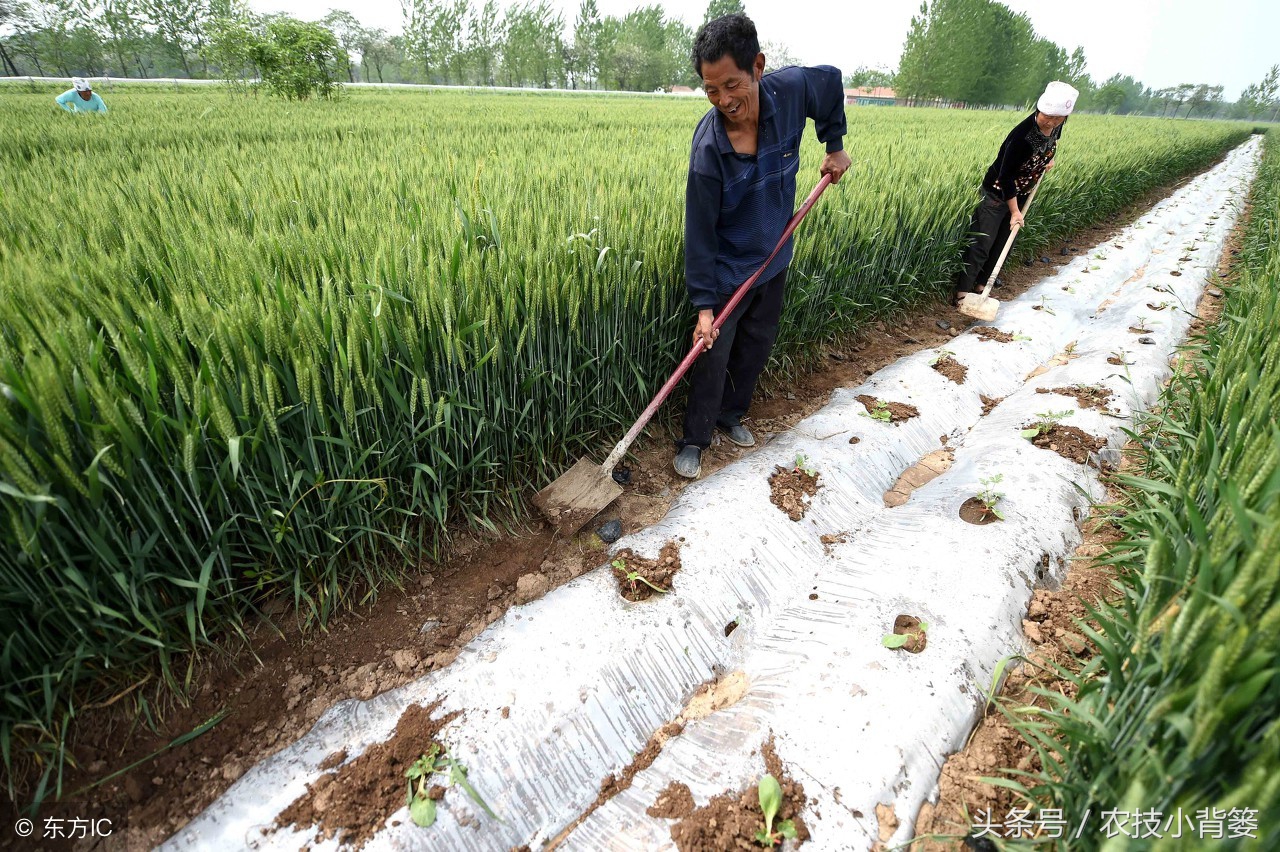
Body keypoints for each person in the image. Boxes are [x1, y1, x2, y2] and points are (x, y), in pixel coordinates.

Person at [674, 13, 850, 479]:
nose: (723, 100)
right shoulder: (709, 150)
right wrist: (705, 308)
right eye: (711, 90)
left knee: (757, 343)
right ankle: (696, 438)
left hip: (775, 256)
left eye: (731, 84)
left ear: (757, 65)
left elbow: (830, 83)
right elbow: (700, 232)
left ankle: (733, 417)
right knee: (713, 356)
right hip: (729, 269)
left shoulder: (789, 92)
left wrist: (834, 144)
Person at [952, 81, 1078, 305]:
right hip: (997, 194)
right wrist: (1015, 212)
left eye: (1057, 119)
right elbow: (1005, 177)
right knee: (983, 243)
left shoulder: (1057, 125)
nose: (1050, 122)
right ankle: (962, 293)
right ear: (1039, 109)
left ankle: (982, 286)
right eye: (1047, 116)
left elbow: (1052, 141)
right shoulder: (1022, 137)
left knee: (1004, 244)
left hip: (1021, 191)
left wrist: (1047, 159)